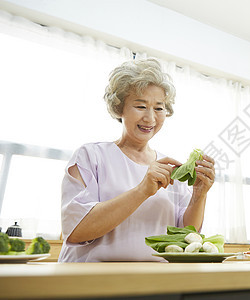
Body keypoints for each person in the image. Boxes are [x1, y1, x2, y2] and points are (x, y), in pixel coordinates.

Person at [58, 58, 215, 262]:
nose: (150, 118)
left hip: (154, 282)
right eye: (141, 106)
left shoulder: (169, 168)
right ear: (120, 107)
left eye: (159, 108)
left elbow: (184, 236)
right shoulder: (91, 156)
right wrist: (142, 191)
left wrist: (199, 195)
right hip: (91, 281)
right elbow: (76, 229)